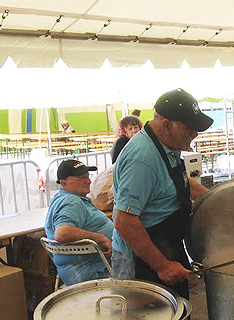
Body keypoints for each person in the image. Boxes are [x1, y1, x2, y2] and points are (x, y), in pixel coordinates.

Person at [111, 88, 211, 299]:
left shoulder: (168, 144)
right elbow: (124, 221)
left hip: (167, 245)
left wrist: (216, 200)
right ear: (167, 124)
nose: (195, 134)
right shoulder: (142, 159)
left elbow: (177, 183)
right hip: (144, 259)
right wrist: (163, 266)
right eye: (189, 128)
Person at [44, 159, 114, 285]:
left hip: (80, 271)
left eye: (88, 176)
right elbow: (62, 233)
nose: (89, 181)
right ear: (64, 184)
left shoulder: (65, 198)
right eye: (82, 178)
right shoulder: (71, 201)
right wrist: (100, 238)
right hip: (94, 272)